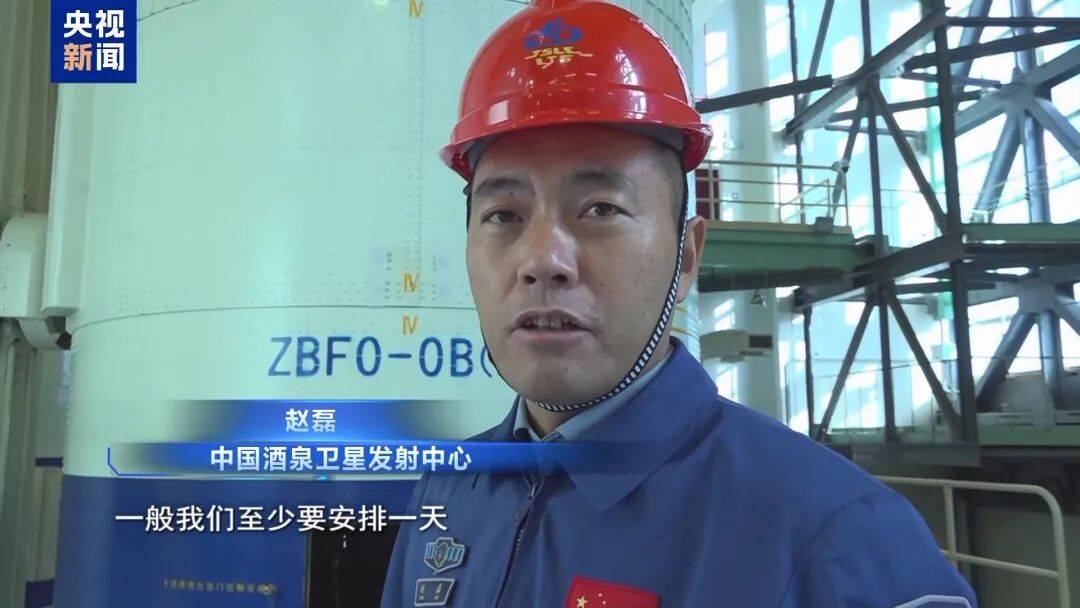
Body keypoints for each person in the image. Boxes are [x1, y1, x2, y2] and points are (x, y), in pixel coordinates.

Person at [380, 1, 979, 606]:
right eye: (503, 215)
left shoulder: (835, 539)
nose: (542, 260)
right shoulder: (447, 493)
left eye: (600, 209)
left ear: (687, 256)